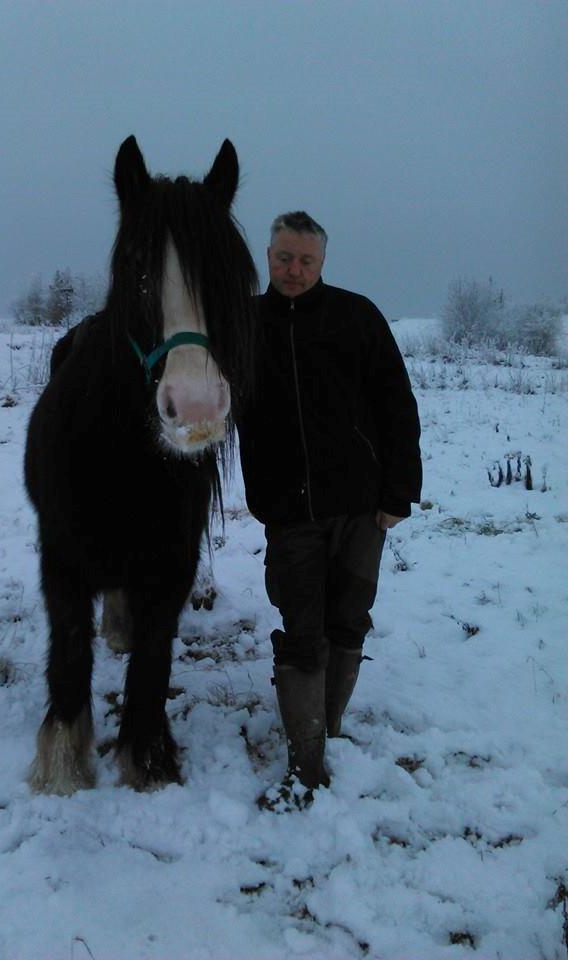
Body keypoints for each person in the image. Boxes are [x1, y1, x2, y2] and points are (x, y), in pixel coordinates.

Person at [237, 211, 422, 802]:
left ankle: (330, 723)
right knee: (302, 628)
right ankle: (307, 760)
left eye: (306, 260)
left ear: (322, 261)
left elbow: (397, 404)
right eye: (283, 258)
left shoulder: (356, 316)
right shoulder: (243, 323)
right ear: (268, 256)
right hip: (289, 511)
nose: (294, 269)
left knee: (349, 620)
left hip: (362, 508)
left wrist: (398, 493)